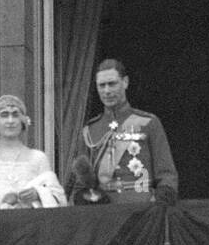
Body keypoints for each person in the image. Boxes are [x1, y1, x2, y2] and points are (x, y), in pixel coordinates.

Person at [63, 59, 177, 205]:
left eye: (112, 84)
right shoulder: (90, 130)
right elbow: (81, 184)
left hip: (142, 209)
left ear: (125, 82)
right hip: (104, 213)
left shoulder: (149, 123)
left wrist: (158, 205)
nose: (107, 91)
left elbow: (166, 175)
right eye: (101, 85)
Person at [0, 95, 66, 209]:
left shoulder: (38, 157)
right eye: (4, 115)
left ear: (23, 121)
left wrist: (38, 194)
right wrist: (2, 199)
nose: (10, 121)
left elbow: (58, 198)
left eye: (15, 115)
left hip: (30, 223)